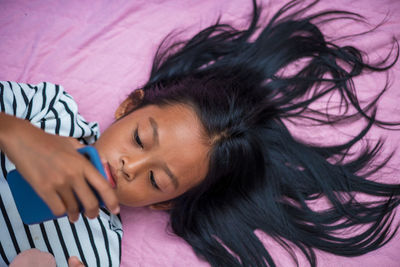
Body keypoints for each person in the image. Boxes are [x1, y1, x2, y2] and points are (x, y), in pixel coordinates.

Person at [1, 0, 400, 266]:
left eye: (156, 180)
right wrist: (13, 132)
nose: (129, 167)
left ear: (162, 204)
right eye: (140, 139)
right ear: (128, 107)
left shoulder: (99, 252)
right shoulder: (47, 111)